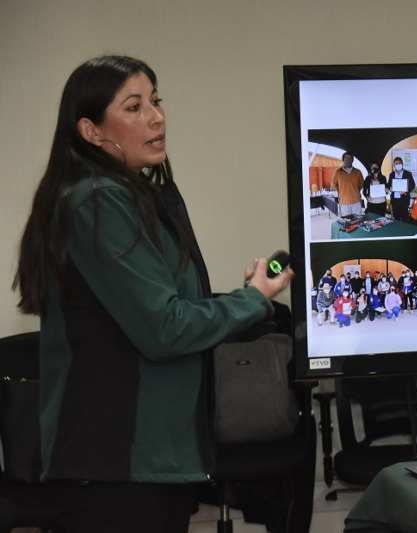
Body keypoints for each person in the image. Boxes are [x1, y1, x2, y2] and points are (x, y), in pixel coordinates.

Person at [10, 55, 294, 532]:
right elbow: (164, 328)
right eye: (134, 107)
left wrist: (250, 294)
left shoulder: (128, 196)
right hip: (117, 470)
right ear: (91, 130)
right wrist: (253, 300)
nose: (157, 117)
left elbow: (166, 310)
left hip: (146, 465)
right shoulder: (98, 201)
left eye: (156, 101)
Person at [331, 152, 364, 217]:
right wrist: (341, 192)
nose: (348, 160)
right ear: (343, 160)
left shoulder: (358, 172)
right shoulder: (338, 172)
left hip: (356, 202)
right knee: (347, 223)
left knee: (358, 221)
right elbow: (334, 185)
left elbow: (361, 184)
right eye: (346, 158)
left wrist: (355, 191)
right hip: (344, 203)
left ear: (352, 160)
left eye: (350, 158)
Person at [387, 156, 415, 221]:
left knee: (405, 218)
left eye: (399, 163)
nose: (398, 165)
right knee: (396, 218)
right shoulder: (392, 174)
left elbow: (412, 185)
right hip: (395, 200)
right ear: (394, 165)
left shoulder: (408, 174)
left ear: (402, 164)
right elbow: (389, 185)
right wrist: (389, 188)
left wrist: (406, 191)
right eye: (396, 164)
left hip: (404, 199)